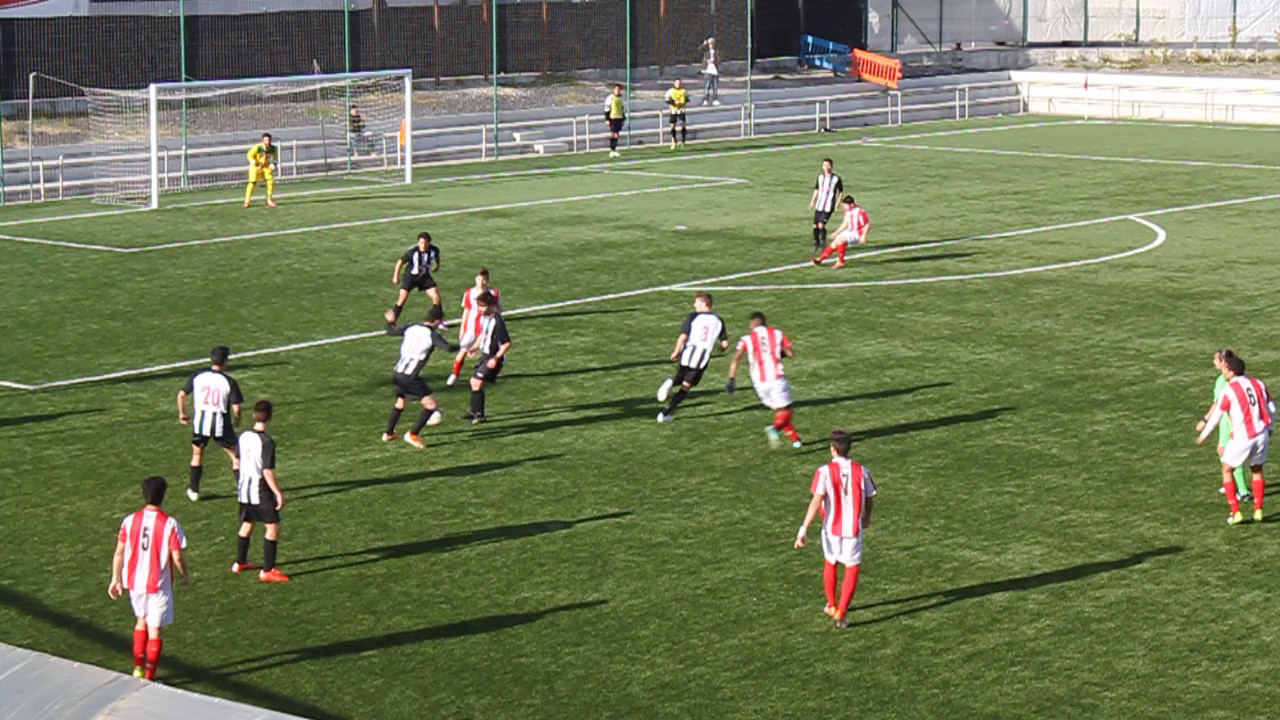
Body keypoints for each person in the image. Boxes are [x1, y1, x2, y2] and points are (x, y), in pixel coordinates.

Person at [108, 475, 190, 679]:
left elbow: (119, 552)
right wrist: (185, 575)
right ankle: (150, 675)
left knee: (140, 621)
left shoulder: (129, 521)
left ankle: (138, 667)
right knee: (155, 631)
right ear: (163, 496)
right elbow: (176, 555)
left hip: (135, 583)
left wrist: (115, 579)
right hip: (158, 584)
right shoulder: (169, 523)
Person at [794, 430, 876, 628]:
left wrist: (803, 529)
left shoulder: (824, 471)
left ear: (833, 449)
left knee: (830, 563)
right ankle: (842, 611)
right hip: (853, 529)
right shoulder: (861, 470)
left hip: (831, 528)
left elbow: (816, 501)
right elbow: (870, 498)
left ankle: (831, 605)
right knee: (852, 567)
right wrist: (867, 517)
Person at [1197, 354, 1274, 525]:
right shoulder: (1258, 383)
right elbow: (1272, 408)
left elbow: (1217, 416)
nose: (1224, 373)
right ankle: (1258, 510)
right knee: (1257, 470)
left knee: (1226, 470)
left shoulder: (1228, 390)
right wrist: (1270, 428)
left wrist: (1203, 435)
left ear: (1231, 372)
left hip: (1242, 437)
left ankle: (1236, 512)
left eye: (1225, 370)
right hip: (1261, 434)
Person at [383, 305, 458, 448]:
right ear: (438, 321)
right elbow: (447, 348)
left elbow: (390, 331)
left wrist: (390, 321)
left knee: (401, 402)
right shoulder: (431, 334)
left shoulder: (412, 327)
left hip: (398, 373)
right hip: (411, 377)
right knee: (431, 405)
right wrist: (464, 347)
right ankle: (413, 434)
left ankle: (389, 433)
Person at [177, 345, 243, 502]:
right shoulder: (229, 382)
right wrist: (237, 420)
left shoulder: (198, 376)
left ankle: (194, 490)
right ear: (225, 362)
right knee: (236, 457)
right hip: (221, 425)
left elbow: (181, 395)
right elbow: (237, 407)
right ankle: (242, 489)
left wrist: (182, 414)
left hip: (201, 423)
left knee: (197, 454)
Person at [726, 312, 801, 448]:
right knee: (787, 411)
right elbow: (790, 353)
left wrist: (732, 379)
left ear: (752, 324)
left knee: (779, 411)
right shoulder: (777, 334)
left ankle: (796, 441)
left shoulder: (746, 339)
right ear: (764, 322)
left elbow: (736, 359)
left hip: (759, 383)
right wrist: (780, 353)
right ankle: (775, 429)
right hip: (776, 379)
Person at [234, 400, 290, 582]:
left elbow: (237, 460)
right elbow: (266, 471)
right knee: (272, 526)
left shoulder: (243, 436)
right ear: (270, 418)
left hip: (244, 488)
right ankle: (268, 570)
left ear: (254, 415)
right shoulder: (267, 442)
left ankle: (240, 562)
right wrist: (278, 493)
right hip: (259, 489)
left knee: (248, 522)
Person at [656, 292, 728, 423]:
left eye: (696, 302)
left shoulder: (693, 317)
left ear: (704, 304)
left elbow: (683, 336)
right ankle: (665, 413)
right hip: (701, 359)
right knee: (686, 386)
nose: (694, 305)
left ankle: (670, 382)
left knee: (680, 377)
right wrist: (722, 349)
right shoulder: (718, 320)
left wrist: (676, 351)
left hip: (687, 353)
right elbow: (725, 343)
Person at [1204, 349, 1250, 503]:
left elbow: (1218, 404)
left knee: (1228, 453)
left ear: (1224, 362)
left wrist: (1205, 420)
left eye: (1216, 359)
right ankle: (1230, 483)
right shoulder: (1239, 377)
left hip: (1228, 421)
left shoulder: (1223, 380)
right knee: (1222, 450)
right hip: (1234, 420)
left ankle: (1241, 490)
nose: (1213, 362)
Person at [447, 268, 500, 386]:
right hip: (471, 328)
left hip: (486, 328)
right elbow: (466, 311)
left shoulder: (494, 293)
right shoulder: (469, 293)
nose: (482, 282)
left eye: (484, 280)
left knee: (488, 352)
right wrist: (462, 328)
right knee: (463, 350)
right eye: (480, 279)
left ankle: (487, 373)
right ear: (476, 279)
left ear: (488, 280)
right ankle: (455, 374)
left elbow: (497, 310)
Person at [466, 291, 511, 424]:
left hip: (494, 358)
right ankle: (476, 412)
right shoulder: (484, 318)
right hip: (485, 356)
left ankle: (479, 414)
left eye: (482, 306)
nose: (480, 309)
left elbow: (507, 344)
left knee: (476, 382)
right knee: (474, 382)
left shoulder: (497, 321)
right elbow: (483, 335)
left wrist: (495, 359)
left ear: (491, 305)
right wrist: (474, 347)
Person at [390, 231, 442, 322]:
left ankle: (437, 320)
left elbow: (437, 257)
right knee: (401, 300)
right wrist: (395, 276)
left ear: (429, 243)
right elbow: (400, 262)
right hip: (410, 278)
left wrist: (437, 265)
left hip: (424, 277)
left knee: (436, 298)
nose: (423, 245)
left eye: (425, 243)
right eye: (421, 243)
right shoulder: (413, 252)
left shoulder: (434, 250)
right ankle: (392, 322)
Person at [812, 195, 870, 269]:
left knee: (841, 240)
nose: (844, 207)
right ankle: (820, 259)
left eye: (845, 205)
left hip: (857, 233)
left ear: (852, 204)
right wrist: (836, 233)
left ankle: (841, 262)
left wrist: (863, 236)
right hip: (849, 231)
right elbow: (845, 223)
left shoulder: (860, 211)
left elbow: (867, 224)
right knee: (834, 243)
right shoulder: (847, 211)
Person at [808, 158, 844, 251]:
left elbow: (840, 191)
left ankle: (823, 242)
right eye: (824, 165)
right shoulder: (820, 177)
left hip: (829, 206)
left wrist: (838, 203)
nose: (826, 167)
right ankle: (816, 243)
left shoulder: (836, 179)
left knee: (821, 225)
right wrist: (812, 201)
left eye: (828, 165)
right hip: (819, 205)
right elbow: (817, 189)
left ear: (831, 166)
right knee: (815, 226)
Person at [244, 132, 278, 208]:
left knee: (270, 180)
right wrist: (252, 161)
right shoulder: (257, 147)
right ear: (262, 141)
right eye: (266, 140)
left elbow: (275, 158)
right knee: (252, 182)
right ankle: (247, 201)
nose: (267, 142)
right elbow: (249, 155)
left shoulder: (273, 148)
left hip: (265, 166)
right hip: (256, 166)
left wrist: (273, 164)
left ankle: (269, 199)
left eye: (269, 140)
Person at [664, 78, 689, 149]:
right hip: (673, 110)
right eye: (677, 83)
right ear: (674, 83)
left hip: (681, 110)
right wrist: (674, 102)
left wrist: (685, 101)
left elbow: (687, 98)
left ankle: (683, 141)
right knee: (672, 125)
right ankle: (674, 139)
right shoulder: (670, 91)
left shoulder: (684, 91)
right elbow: (666, 100)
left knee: (683, 124)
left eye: (680, 83)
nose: (678, 84)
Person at [604, 83, 626, 158]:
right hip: (613, 117)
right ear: (614, 90)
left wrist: (623, 119)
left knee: (617, 134)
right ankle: (612, 150)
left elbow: (622, 109)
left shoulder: (621, 98)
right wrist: (607, 119)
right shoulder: (610, 98)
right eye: (616, 89)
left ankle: (614, 149)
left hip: (619, 117)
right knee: (613, 133)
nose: (617, 90)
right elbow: (607, 109)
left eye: (619, 89)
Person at [700, 37, 721, 106]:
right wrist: (704, 44)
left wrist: (714, 61)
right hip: (707, 70)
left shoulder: (716, 51)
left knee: (715, 86)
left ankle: (715, 99)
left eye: (712, 44)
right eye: (709, 44)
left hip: (714, 70)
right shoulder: (706, 51)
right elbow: (700, 50)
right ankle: (706, 99)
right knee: (707, 86)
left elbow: (719, 60)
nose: (711, 45)